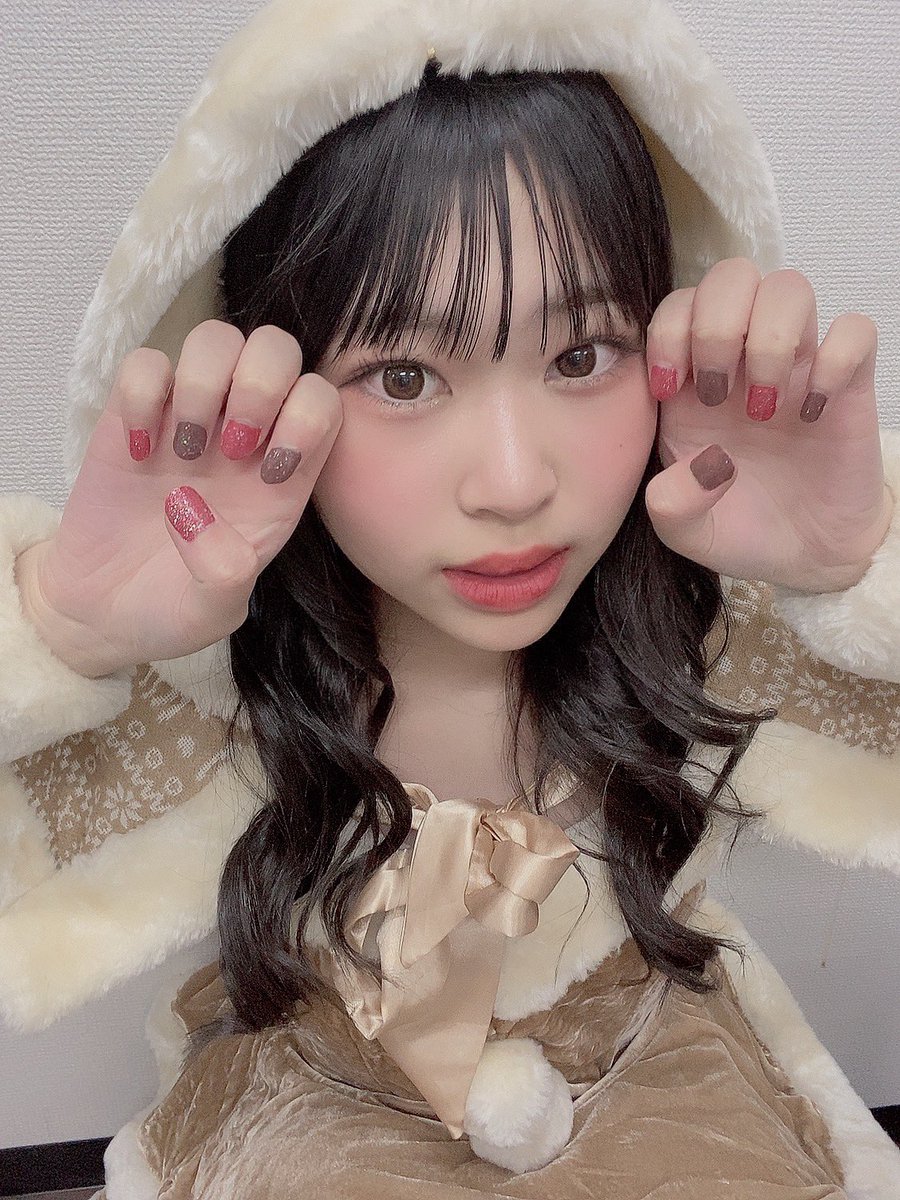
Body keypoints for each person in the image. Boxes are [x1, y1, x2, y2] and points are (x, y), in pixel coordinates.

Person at [1, 0, 899, 1195]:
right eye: (404, 376)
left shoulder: (693, 623)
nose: (515, 485)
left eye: (580, 356)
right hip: (327, 1094)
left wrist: (855, 571)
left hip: (651, 1061)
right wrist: (63, 632)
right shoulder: (225, 676)